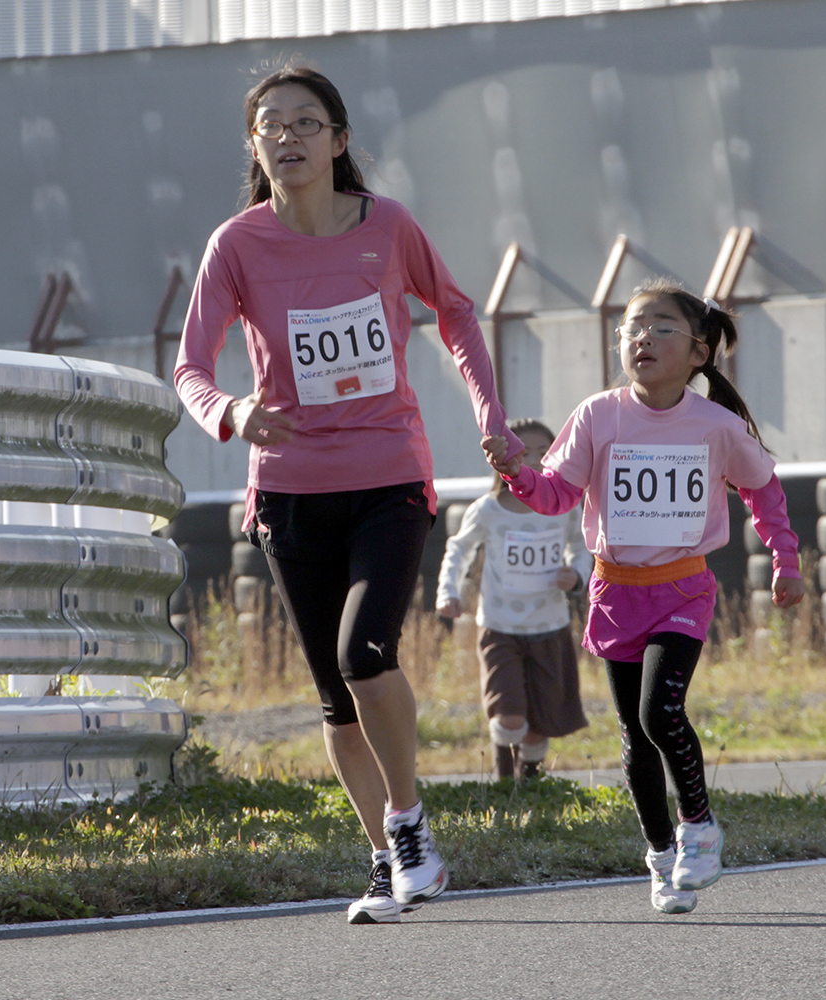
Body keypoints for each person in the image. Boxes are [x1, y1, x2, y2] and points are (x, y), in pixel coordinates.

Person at [173, 63, 521, 925]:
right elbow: (189, 368)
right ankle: (385, 859)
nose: (287, 137)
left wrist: (492, 415)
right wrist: (232, 411)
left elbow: (457, 312)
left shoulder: (388, 227)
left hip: (388, 476)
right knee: (334, 692)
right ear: (254, 147)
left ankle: (408, 829)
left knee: (367, 653)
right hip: (289, 493)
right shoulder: (237, 245)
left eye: (304, 122)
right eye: (270, 127)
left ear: (338, 139)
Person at [484, 279, 805, 914]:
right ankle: (661, 856)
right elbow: (555, 496)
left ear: (698, 352)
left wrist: (785, 559)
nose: (643, 339)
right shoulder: (598, 415)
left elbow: (763, 491)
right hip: (615, 590)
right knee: (634, 735)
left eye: (661, 328)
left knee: (661, 712)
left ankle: (700, 828)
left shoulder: (717, 426)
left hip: (683, 588)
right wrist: (515, 470)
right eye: (632, 328)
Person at [436, 418, 591, 781]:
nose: (534, 460)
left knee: (539, 725)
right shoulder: (488, 510)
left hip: (550, 627)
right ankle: (505, 783)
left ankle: (531, 781)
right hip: (500, 629)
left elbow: (581, 548)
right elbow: (458, 550)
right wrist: (449, 591)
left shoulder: (565, 506)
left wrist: (577, 575)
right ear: (503, 458)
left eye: (544, 452)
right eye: (525, 452)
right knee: (509, 717)